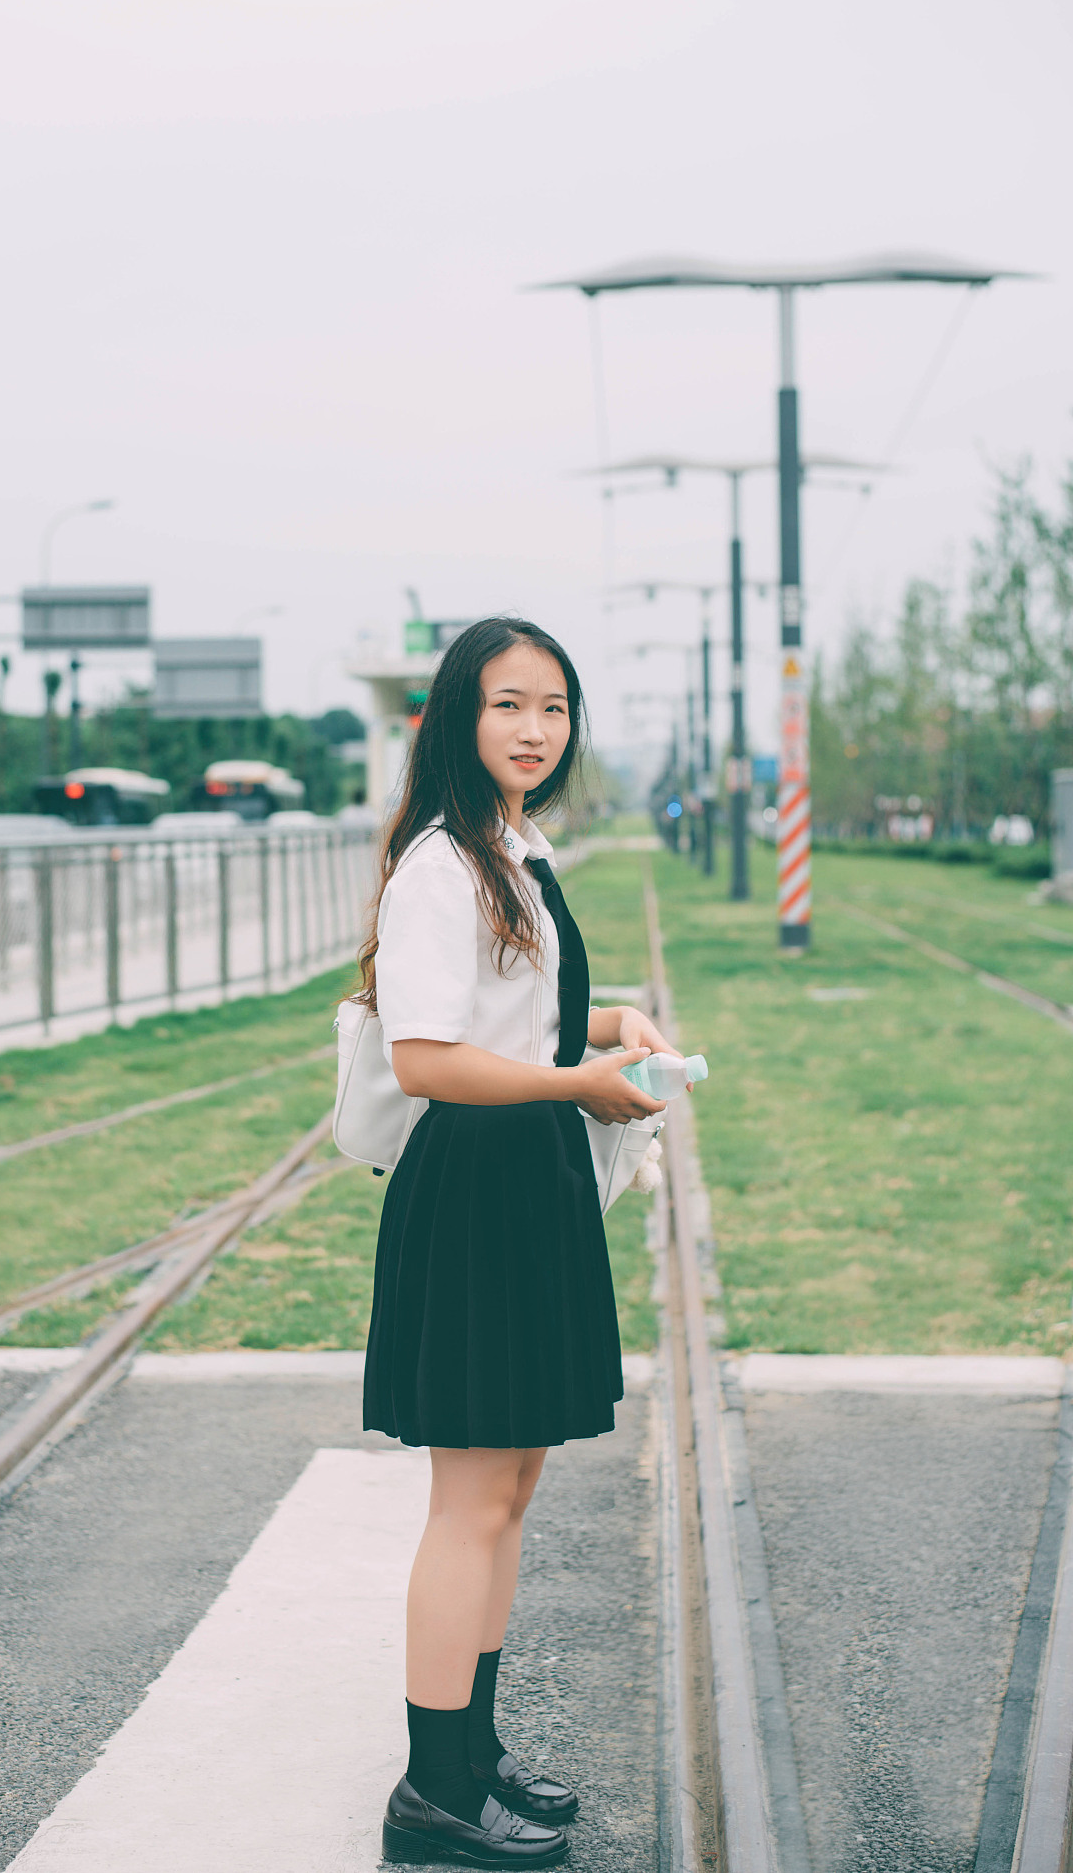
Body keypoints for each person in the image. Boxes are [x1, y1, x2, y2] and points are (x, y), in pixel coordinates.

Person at [357, 616, 686, 1868]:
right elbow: (426, 1054)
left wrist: (606, 1018)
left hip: (525, 1179)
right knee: (471, 1496)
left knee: (508, 1487)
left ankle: (473, 1752)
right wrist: (578, 1082)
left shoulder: (510, 849)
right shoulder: (441, 862)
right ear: (455, 715)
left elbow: (508, 1009)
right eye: (507, 704)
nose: (534, 729)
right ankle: (434, 1788)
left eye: (552, 707)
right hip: (481, 1187)